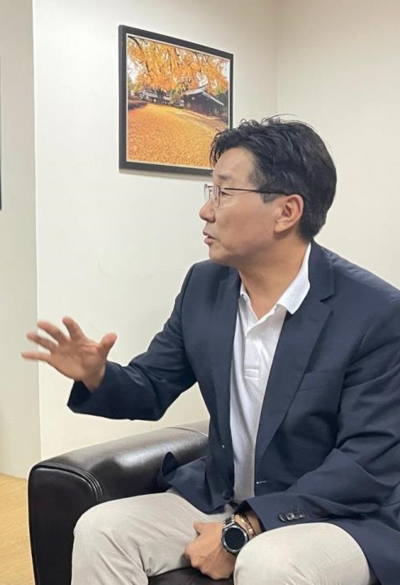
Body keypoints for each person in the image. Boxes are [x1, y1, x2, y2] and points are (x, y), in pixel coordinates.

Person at [23, 118, 400, 585]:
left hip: (340, 516)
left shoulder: (374, 312)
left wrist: (246, 528)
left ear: (286, 211)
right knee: (102, 529)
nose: (206, 211)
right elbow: (152, 386)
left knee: (268, 562)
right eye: (210, 191)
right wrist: (97, 375)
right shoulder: (205, 286)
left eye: (223, 192)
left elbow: (365, 462)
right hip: (224, 498)